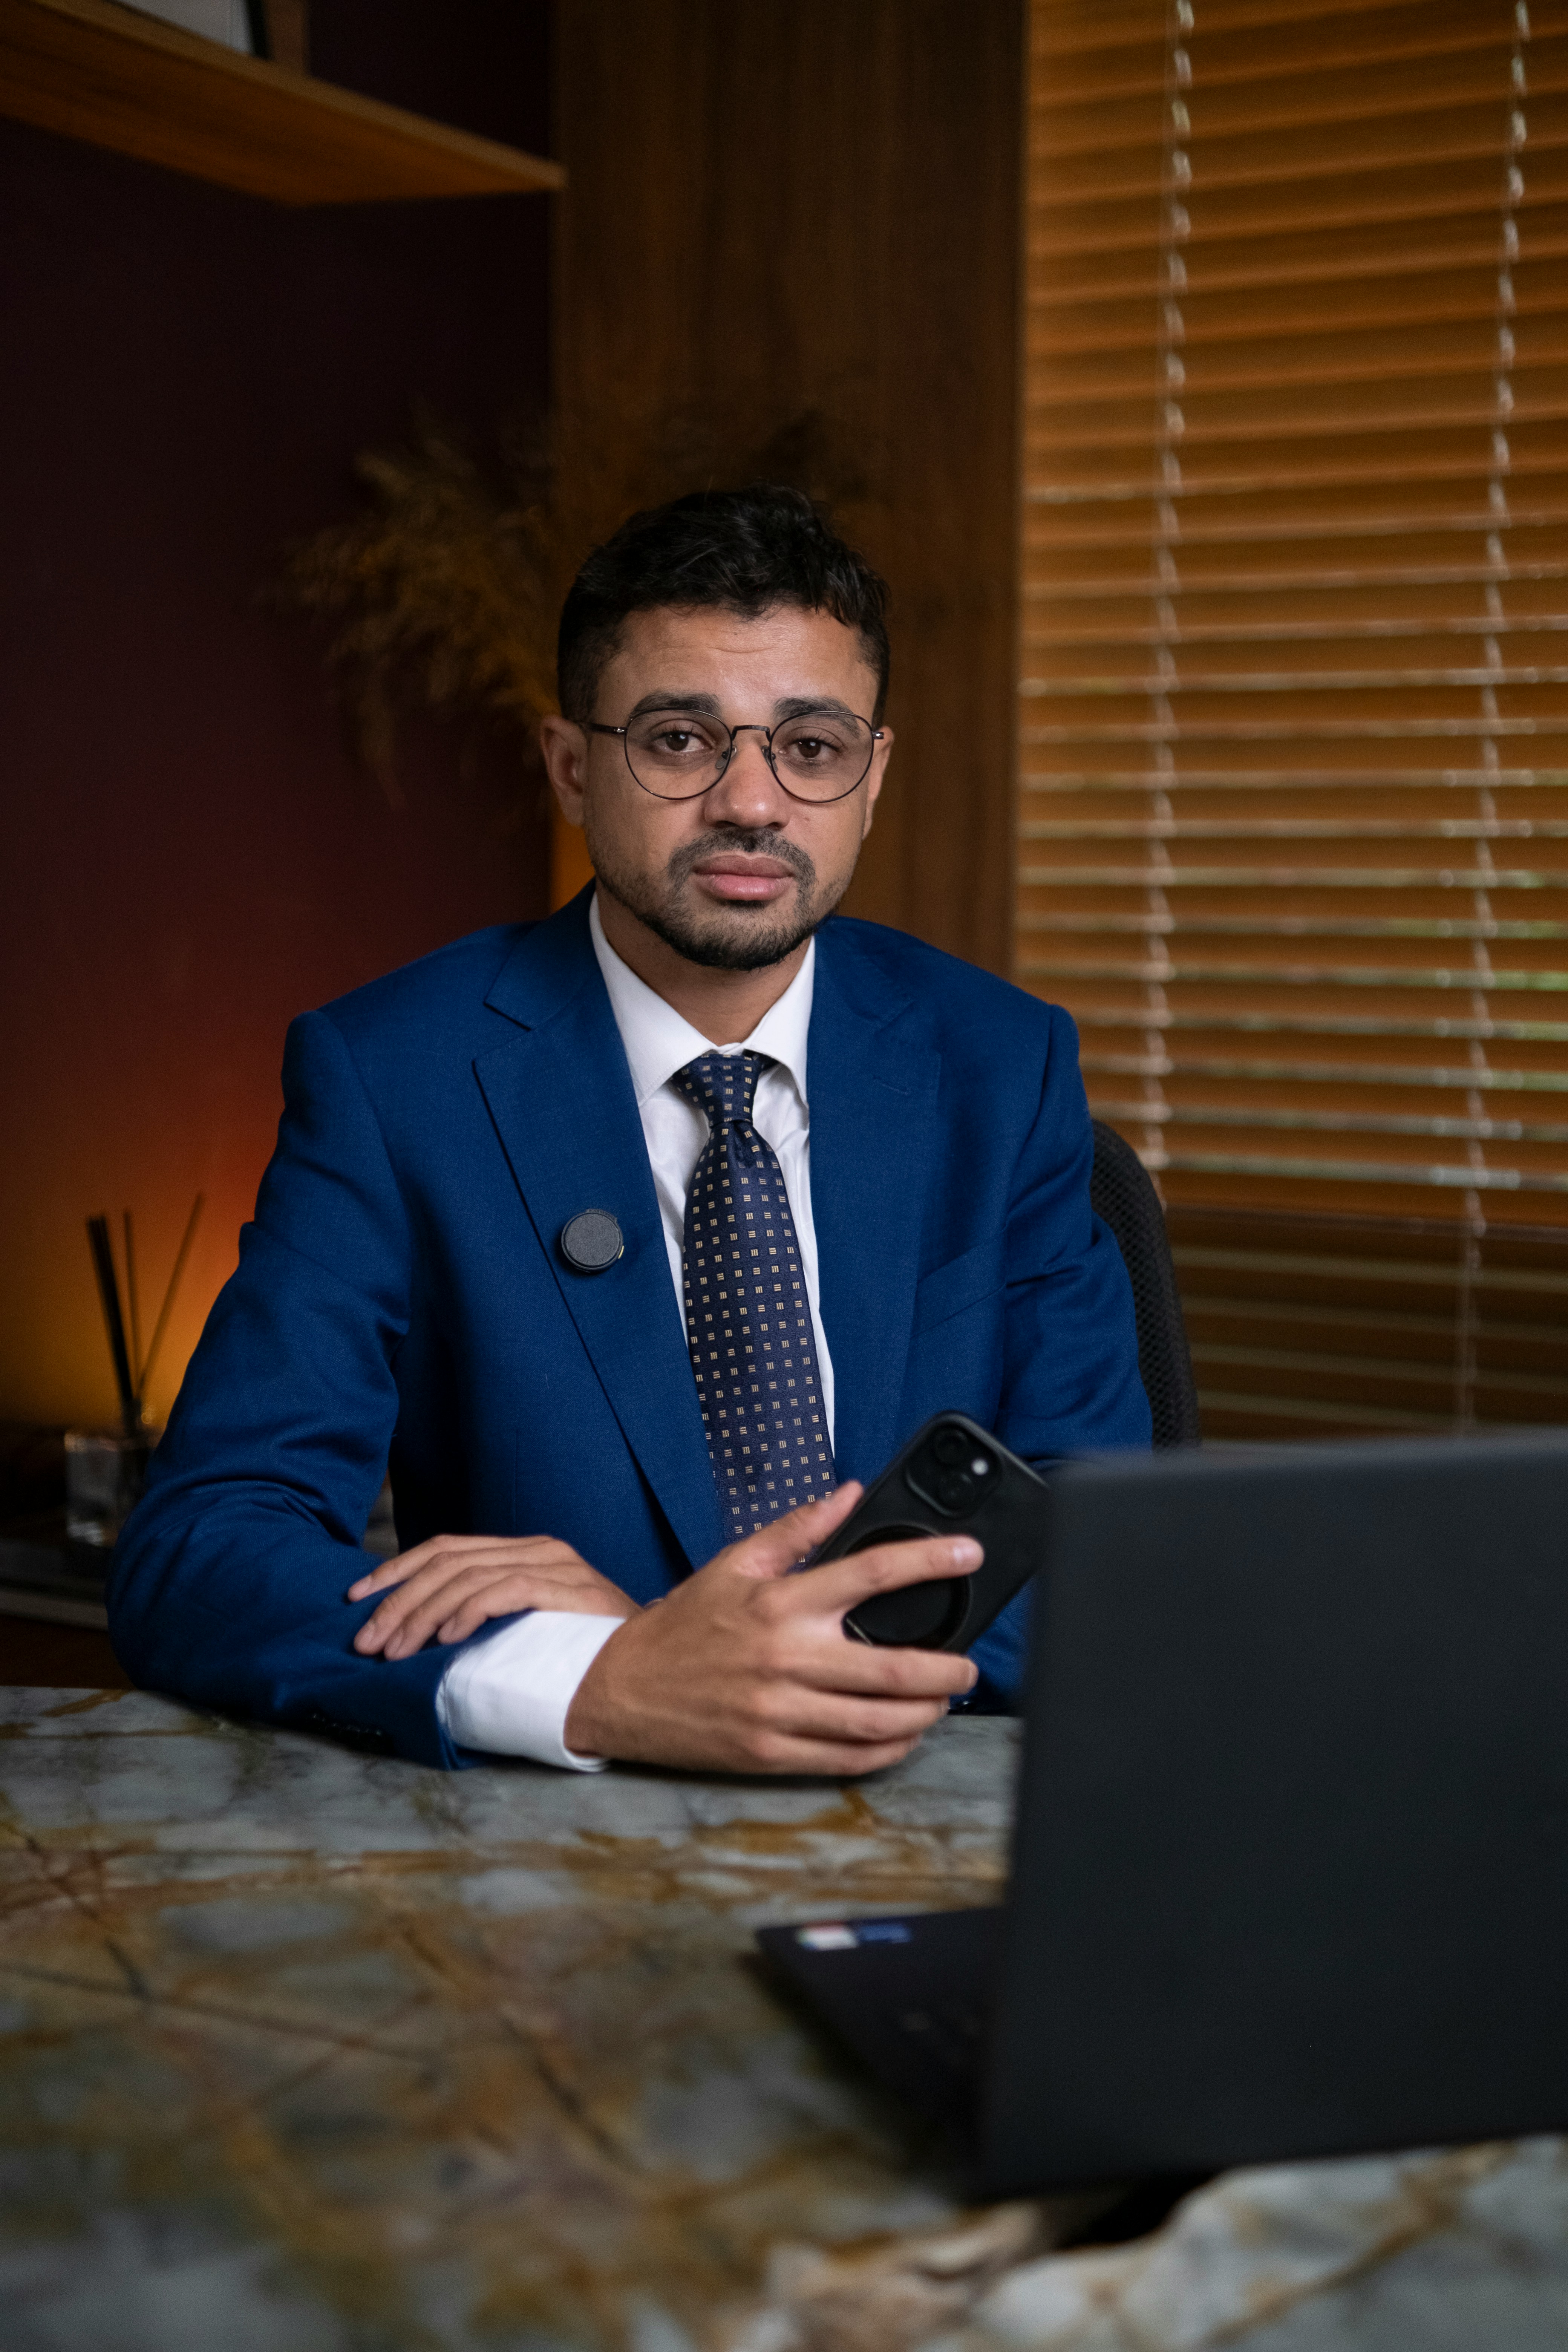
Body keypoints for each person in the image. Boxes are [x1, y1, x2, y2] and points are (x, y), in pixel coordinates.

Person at [109, 487, 1150, 1775]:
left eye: (811, 747)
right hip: (555, 1881)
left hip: (931, 1834)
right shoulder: (394, 1076)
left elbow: (1102, 1536)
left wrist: (720, 1659)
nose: (753, 804)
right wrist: (595, 1682)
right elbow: (205, 1546)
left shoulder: (1003, 1062)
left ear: (872, 779)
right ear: (570, 766)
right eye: (679, 740)